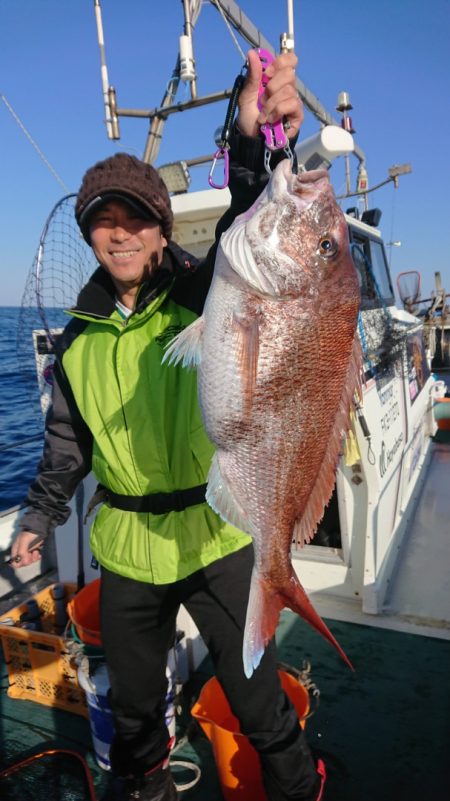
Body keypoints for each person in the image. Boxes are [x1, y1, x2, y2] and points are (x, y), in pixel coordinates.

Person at [11, 50, 326, 801]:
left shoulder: (204, 291)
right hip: (124, 547)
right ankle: (144, 785)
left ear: (161, 231)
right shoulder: (79, 336)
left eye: (137, 219)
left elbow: (252, 220)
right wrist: (39, 512)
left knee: (255, 696)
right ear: (89, 237)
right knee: (132, 705)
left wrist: (253, 138)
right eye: (103, 222)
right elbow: (68, 442)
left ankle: (295, 783)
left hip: (216, 533)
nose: (119, 234)